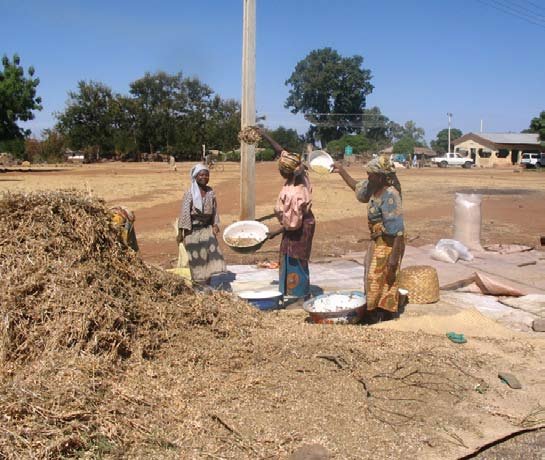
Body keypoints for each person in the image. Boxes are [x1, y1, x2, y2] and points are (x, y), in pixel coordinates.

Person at [333, 155, 405, 320]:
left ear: (380, 176)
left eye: (370, 174)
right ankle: (374, 311)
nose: (368, 177)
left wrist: (394, 257)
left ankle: (384, 313)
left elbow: (398, 231)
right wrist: (341, 171)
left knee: (385, 276)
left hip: (390, 243)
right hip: (378, 240)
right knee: (372, 275)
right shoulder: (374, 187)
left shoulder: (390, 195)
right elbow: (358, 188)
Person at [259, 129, 315, 300]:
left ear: (288, 172)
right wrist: (264, 134)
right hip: (301, 221)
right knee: (294, 257)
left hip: (298, 227)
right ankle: (294, 291)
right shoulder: (300, 174)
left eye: (282, 170)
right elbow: (281, 150)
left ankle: (298, 295)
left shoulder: (294, 194)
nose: (280, 173)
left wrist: (273, 233)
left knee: (294, 258)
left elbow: (292, 225)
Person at [177, 164, 226, 285]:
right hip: (192, 230)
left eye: (206, 175)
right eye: (201, 175)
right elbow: (184, 213)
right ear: (195, 177)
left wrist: (215, 224)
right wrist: (181, 233)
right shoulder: (190, 193)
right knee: (196, 259)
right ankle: (197, 284)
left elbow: (214, 209)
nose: (204, 177)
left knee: (209, 256)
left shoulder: (210, 192)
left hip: (207, 229)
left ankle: (208, 284)